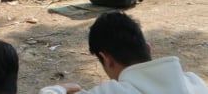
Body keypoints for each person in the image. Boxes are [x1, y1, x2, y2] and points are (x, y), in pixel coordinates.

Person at [39, 12, 208, 94]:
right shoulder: (195, 83)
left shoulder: (112, 92)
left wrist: (58, 88)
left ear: (106, 59)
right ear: (148, 48)